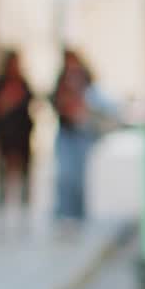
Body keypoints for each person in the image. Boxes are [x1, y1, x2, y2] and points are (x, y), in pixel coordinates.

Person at [51, 49, 99, 226]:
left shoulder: (86, 80)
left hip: (82, 132)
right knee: (65, 175)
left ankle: (78, 214)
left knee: (78, 176)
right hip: (66, 130)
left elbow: (94, 102)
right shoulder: (61, 81)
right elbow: (55, 102)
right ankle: (64, 213)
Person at [0, 50, 35, 210]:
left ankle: (24, 200)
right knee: (2, 168)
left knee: (24, 169)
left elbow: (31, 104)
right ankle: (2, 199)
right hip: (4, 134)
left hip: (21, 134)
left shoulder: (23, 83)